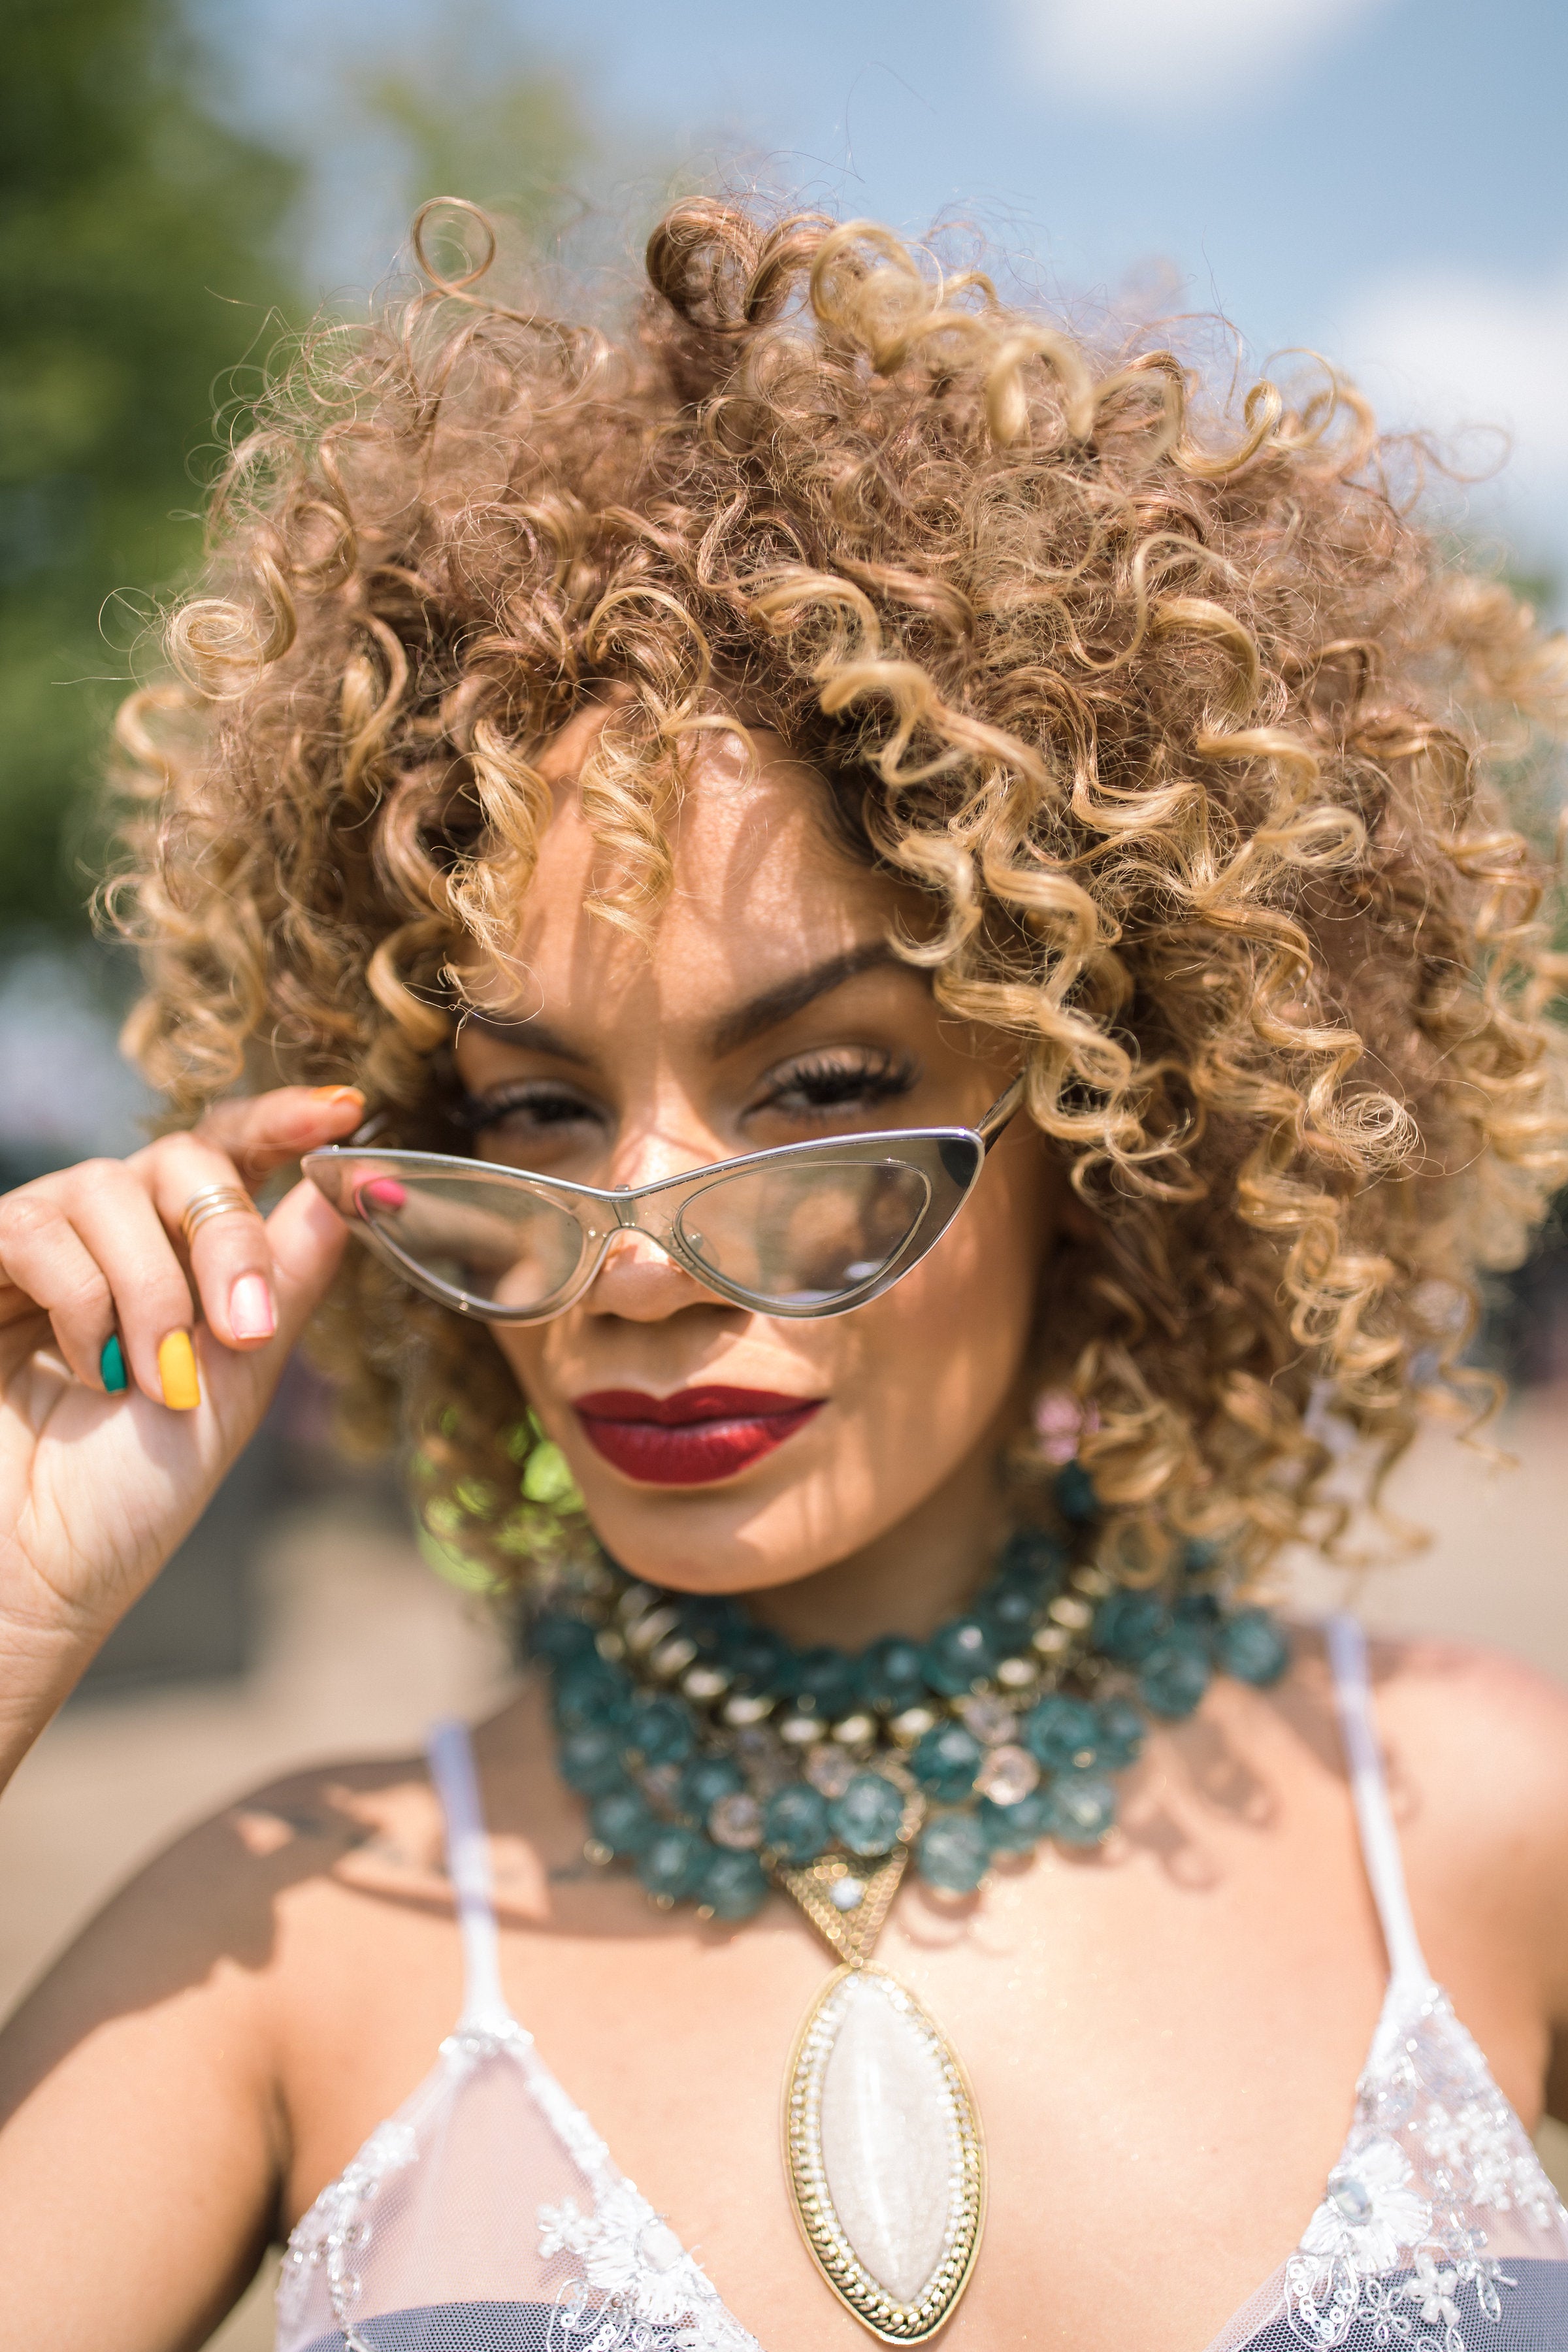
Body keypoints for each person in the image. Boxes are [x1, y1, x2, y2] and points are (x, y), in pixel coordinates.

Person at [0, 193, 1565, 2352]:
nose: (638, 1274)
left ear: (1116, 1113)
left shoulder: (1486, 1813)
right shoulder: (281, 1942)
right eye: (534, 1109)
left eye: (824, 1088)